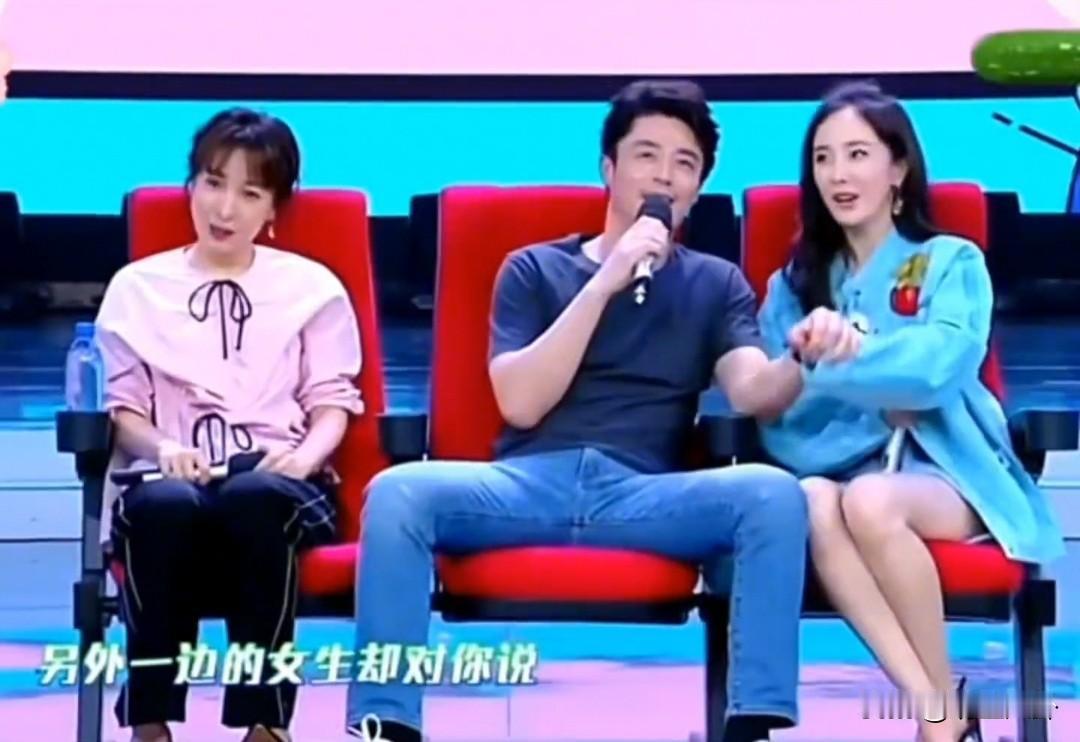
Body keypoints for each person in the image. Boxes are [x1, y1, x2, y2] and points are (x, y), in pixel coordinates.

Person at [346, 80, 838, 742]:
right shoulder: (534, 269)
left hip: (644, 495)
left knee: (773, 494)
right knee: (399, 493)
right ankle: (388, 724)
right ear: (609, 169)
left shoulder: (713, 282)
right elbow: (521, 402)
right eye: (646, 156)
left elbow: (753, 390)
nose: (663, 176)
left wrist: (802, 358)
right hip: (524, 486)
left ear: (698, 188)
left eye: (684, 164)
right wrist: (606, 281)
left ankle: (750, 725)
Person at [755, 80, 1065, 742]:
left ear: (897, 168)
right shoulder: (792, 286)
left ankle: (938, 717)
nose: (839, 174)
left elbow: (938, 369)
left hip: (949, 475)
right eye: (823, 158)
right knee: (814, 498)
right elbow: (780, 421)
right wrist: (872, 391)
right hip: (834, 474)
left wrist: (843, 361)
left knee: (871, 500)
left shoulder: (951, 261)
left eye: (858, 154)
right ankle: (938, 710)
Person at [95, 108, 364, 742]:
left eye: (250, 192)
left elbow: (333, 402)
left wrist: (303, 459)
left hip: (281, 480)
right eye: (213, 183)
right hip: (171, 478)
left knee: (256, 497)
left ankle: (265, 726)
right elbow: (122, 409)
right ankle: (150, 723)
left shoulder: (312, 288)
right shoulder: (136, 289)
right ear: (190, 186)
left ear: (274, 208)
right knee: (163, 507)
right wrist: (164, 446)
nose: (225, 208)